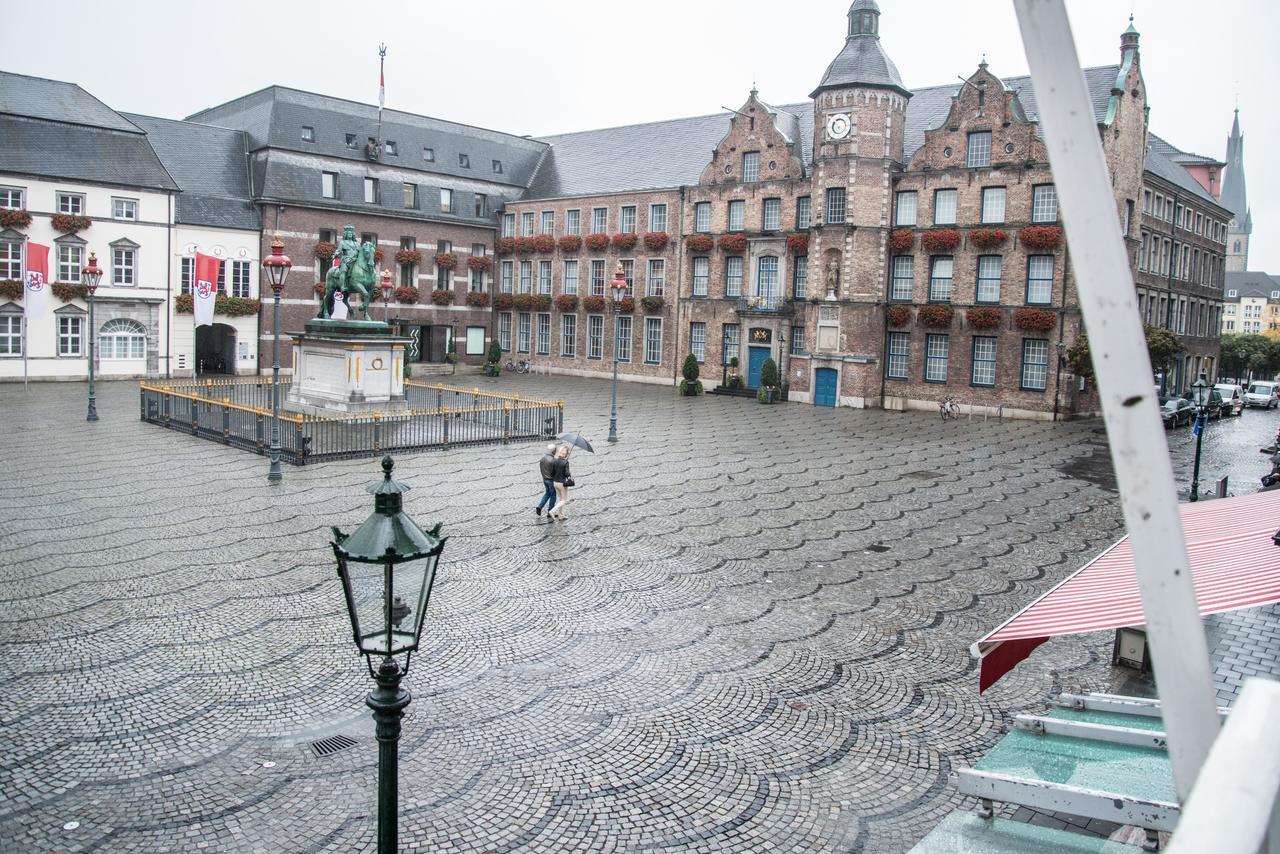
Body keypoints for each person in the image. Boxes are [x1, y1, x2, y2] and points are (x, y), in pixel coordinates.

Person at [548, 444, 572, 521]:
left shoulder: (554, 461)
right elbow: (567, 474)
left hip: (555, 482)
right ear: (566, 454)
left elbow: (551, 473)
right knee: (563, 500)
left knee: (560, 499)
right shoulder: (566, 462)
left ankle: (561, 515)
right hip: (562, 483)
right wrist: (566, 466)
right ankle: (552, 511)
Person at [535, 444, 557, 517]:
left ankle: (539, 506)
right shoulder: (553, 460)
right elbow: (555, 472)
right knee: (553, 495)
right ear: (554, 451)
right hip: (551, 480)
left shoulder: (543, 458)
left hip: (545, 479)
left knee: (547, 494)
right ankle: (550, 512)